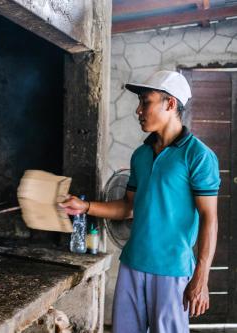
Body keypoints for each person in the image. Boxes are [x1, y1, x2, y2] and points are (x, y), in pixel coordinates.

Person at [60, 70, 220, 333]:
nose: (138, 110)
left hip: (172, 269)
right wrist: (85, 207)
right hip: (133, 262)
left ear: (170, 104)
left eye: (146, 102)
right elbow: (128, 207)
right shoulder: (141, 155)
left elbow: (209, 219)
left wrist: (201, 277)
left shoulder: (199, 156)